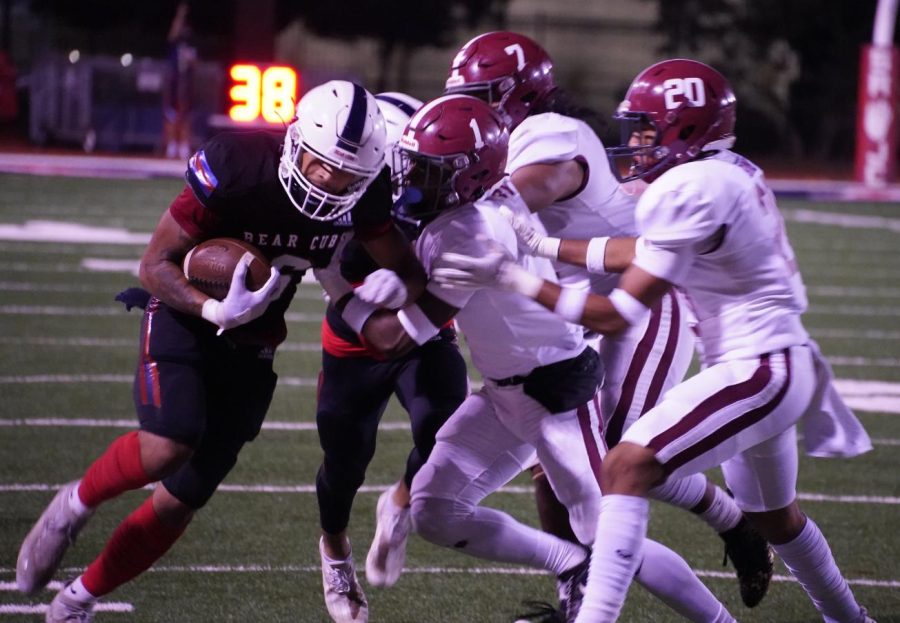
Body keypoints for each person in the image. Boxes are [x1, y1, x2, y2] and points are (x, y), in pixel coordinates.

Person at [433, 59, 875, 623]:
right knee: (776, 519)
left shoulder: (693, 186)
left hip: (758, 369)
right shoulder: (725, 169)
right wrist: (543, 249)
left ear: (686, 129)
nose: (636, 143)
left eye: (647, 128)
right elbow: (633, 249)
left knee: (624, 464)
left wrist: (516, 277)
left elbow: (618, 312)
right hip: (779, 361)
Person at [15, 80, 428, 622]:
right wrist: (211, 310)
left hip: (255, 342)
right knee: (169, 444)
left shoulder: (366, 196)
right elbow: (155, 264)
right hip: (187, 317)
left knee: (182, 498)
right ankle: (75, 504)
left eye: (348, 174)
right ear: (294, 139)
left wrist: (395, 288)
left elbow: (408, 271)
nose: (330, 181)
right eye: (321, 163)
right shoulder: (235, 162)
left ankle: (77, 601)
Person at [336, 93, 738, 623]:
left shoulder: (468, 235)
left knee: (613, 541)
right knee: (432, 509)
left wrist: (344, 293)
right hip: (506, 392)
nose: (414, 180)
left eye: (431, 172)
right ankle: (568, 565)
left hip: (556, 397)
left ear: (468, 176)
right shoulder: (475, 203)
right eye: (414, 166)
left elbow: (396, 338)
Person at [443, 30, 772, 608]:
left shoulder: (545, 137)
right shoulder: (510, 138)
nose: (466, 107)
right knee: (560, 466)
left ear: (514, 97)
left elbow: (509, 205)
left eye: (479, 95)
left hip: (639, 303)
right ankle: (576, 597)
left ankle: (734, 521)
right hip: (571, 311)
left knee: (621, 452)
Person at [312, 91, 469, 623]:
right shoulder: (345, 188)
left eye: (422, 161)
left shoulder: (440, 185)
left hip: (423, 325)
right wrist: (363, 311)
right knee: (345, 462)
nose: (416, 173)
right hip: (354, 332)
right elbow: (329, 274)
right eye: (405, 160)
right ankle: (335, 553)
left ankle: (399, 501)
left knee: (445, 425)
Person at [163, 2, 198, 160]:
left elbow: (196, 64)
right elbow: (172, 34)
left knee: (186, 114)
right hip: (174, 82)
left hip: (186, 83)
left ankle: (183, 145)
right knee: (171, 113)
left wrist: (191, 60)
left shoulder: (191, 47)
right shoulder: (174, 45)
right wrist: (180, 14)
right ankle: (172, 145)